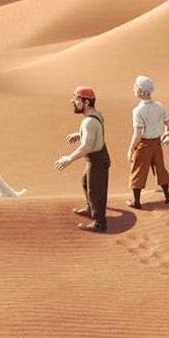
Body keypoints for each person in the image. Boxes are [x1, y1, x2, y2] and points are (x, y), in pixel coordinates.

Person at [53, 85, 109, 232]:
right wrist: (79, 134)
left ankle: (99, 222)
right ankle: (91, 209)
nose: (73, 101)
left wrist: (69, 158)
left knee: (95, 191)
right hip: (99, 155)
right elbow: (97, 132)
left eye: (77, 99)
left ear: (86, 103)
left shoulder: (88, 122)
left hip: (97, 159)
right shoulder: (97, 114)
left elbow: (87, 146)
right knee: (86, 182)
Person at [127, 75, 169, 209]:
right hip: (157, 144)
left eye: (136, 86)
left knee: (138, 171)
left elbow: (138, 133)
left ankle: (136, 202)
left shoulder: (138, 111)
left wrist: (131, 149)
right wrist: (167, 133)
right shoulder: (160, 106)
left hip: (144, 145)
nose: (134, 89)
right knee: (160, 168)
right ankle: (167, 195)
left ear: (142, 91)